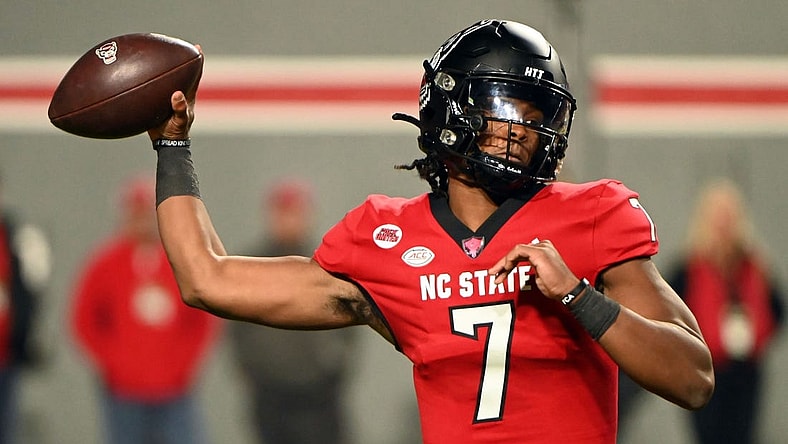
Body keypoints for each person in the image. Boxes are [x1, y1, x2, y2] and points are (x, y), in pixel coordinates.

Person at [147, 19, 714, 443]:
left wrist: (577, 295)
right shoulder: (385, 238)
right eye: (508, 112)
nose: (527, 134)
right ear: (452, 112)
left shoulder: (591, 215)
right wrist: (172, 144)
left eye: (538, 119)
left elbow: (693, 378)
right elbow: (207, 279)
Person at [70, 175, 221, 444]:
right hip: (124, 393)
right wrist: (115, 363)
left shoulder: (182, 260)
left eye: (148, 214)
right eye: (135, 213)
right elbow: (84, 321)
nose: (142, 221)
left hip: (175, 391)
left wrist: (183, 365)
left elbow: (204, 318)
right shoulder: (105, 264)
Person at [228, 179, 356, 444]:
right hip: (271, 393)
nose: (288, 221)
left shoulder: (329, 264)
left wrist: (334, 366)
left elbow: (353, 324)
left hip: (319, 394)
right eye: (282, 213)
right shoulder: (251, 267)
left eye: (295, 212)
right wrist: (254, 371)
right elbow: (236, 330)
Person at [667, 178, 783, 444]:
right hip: (702, 369)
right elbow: (668, 314)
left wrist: (756, 337)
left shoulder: (755, 266)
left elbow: (777, 311)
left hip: (746, 372)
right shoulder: (688, 268)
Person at [0, 173, 51, 443]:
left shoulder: (16, 236)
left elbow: (28, 292)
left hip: (6, 356)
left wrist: (25, 336)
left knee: (6, 428)